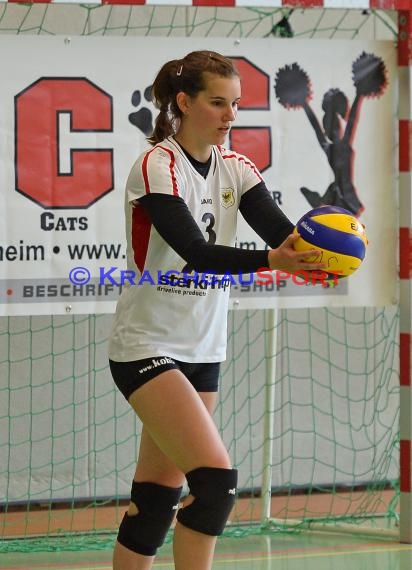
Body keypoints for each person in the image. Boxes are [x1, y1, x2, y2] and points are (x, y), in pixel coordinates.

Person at [108, 50, 324, 570]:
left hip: (204, 348)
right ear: (184, 102)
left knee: (156, 498)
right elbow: (196, 253)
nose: (231, 115)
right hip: (147, 345)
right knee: (216, 486)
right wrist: (275, 260)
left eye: (237, 104)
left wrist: (321, 251)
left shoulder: (236, 167)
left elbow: (282, 234)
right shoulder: (158, 165)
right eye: (218, 102)